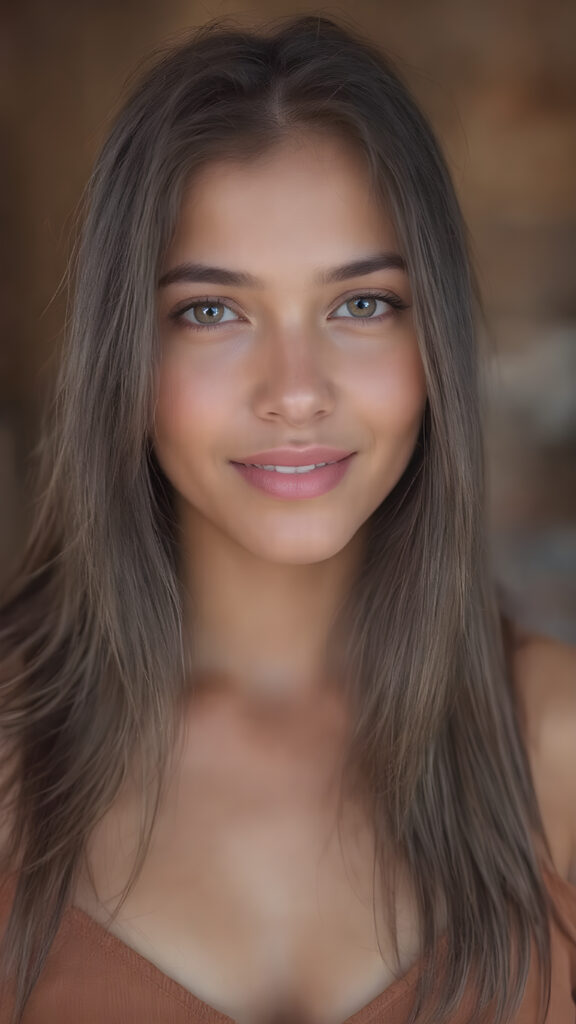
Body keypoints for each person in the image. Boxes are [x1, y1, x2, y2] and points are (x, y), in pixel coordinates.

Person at [0, 12, 574, 1024]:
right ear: (123, 360)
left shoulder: (559, 745)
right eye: (212, 310)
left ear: (432, 335)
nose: (297, 391)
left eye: (362, 305)